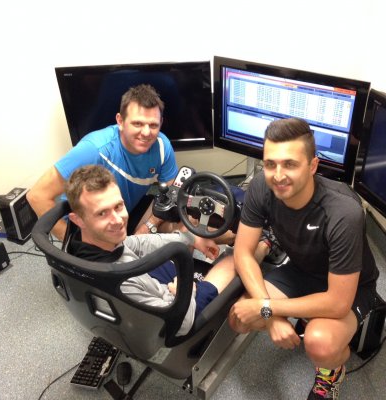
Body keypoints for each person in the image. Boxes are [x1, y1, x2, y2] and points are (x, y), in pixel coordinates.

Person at [228, 117, 379, 399]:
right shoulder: (262, 186)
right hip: (301, 270)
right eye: (270, 163)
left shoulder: (343, 212)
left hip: (352, 288)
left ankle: (332, 372)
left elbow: (337, 302)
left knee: (319, 343)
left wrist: (268, 308)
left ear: (312, 166)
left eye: (290, 164)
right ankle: (298, 314)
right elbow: (243, 252)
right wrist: (269, 313)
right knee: (239, 318)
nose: (278, 174)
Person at [63, 165, 271, 336]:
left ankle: (237, 236)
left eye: (118, 206)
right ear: (77, 219)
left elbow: (136, 243)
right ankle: (266, 242)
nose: (118, 220)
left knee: (185, 230)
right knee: (236, 258)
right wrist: (184, 290)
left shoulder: (85, 246)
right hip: (180, 311)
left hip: (156, 285)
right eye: (102, 213)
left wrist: (190, 238)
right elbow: (180, 324)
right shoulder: (121, 282)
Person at [27, 84, 178, 241]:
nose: (146, 133)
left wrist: (149, 226)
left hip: (121, 213)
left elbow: (170, 194)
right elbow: (37, 196)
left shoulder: (162, 146)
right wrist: (73, 246)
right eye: (137, 124)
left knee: (182, 226)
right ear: (120, 121)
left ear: (161, 123)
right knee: (116, 261)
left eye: (153, 125)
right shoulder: (94, 149)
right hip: (87, 226)